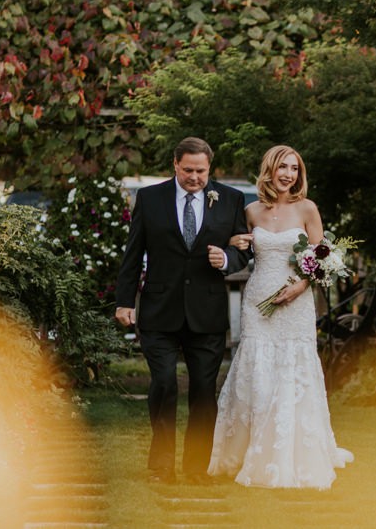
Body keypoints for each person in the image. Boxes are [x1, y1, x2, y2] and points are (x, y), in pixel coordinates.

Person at [208, 144, 354, 489]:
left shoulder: (307, 209)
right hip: (259, 299)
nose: (289, 174)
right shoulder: (252, 211)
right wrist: (235, 241)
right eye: (283, 167)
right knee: (256, 369)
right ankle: (245, 451)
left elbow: (322, 260)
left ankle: (286, 455)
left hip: (294, 302)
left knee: (292, 369)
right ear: (270, 170)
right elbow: (239, 249)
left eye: (294, 169)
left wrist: (300, 287)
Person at [115, 137, 251, 484]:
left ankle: (195, 468)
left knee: (204, 393)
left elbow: (243, 250)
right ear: (175, 165)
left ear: (210, 168)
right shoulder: (150, 198)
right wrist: (124, 301)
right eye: (188, 170)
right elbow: (133, 254)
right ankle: (161, 467)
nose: (194, 177)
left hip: (206, 312)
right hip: (159, 310)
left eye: (201, 171)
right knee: (163, 384)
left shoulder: (231, 199)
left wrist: (227, 259)